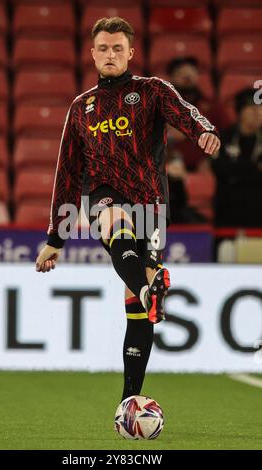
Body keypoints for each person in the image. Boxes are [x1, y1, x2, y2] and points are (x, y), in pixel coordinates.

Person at [36, 17, 220, 401]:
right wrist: (56, 236)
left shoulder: (152, 91)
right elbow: (67, 173)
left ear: (130, 53)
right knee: (116, 224)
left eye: (117, 48)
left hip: (151, 204)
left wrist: (204, 131)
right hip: (103, 193)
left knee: (139, 311)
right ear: (92, 53)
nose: (110, 55)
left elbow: (185, 112)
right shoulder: (81, 107)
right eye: (103, 48)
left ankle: (128, 400)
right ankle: (148, 287)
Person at [166, 56, 228, 170]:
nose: (188, 77)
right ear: (171, 77)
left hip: (204, 167)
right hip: (166, 168)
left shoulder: (212, 106)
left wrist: (212, 160)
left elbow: (226, 135)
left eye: (192, 72)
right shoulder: (160, 105)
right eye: (181, 73)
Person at [212, 88, 262, 227]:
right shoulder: (223, 137)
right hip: (228, 210)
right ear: (240, 112)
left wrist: (237, 168)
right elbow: (221, 170)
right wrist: (254, 168)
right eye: (252, 108)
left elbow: (231, 170)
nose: (257, 113)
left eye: (260, 109)